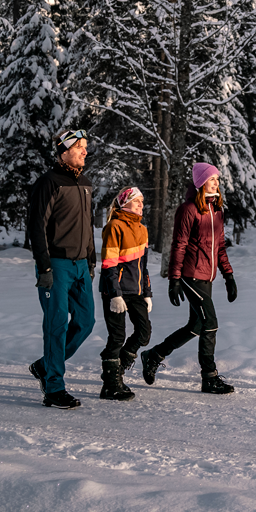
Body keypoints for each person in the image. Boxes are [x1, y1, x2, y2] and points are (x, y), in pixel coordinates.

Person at [141, 162, 238, 394]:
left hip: (207, 276)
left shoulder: (217, 210)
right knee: (210, 324)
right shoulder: (188, 209)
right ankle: (209, 377)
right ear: (201, 182)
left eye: (217, 179)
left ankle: (153, 355)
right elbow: (179, 245)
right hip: (190, 275)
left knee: (195, 326)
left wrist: (229, 276)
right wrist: (174, 280)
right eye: (212, 178)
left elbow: (220, 247)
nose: (217, 182)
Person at [26, 128, 96, 409]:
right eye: (80, 146)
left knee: (86, 322)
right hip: (55, 265)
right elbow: (37, 227)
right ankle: (54, 387)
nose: (85, 151)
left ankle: (45, 365)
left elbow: (88, 227)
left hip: (81, 265)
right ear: (64, 150)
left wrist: (91, 260)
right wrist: (44, 267)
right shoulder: (48, 182)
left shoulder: (87, 183)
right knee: (56, 327)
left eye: (86, 146)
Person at [97, 186, 152, 401]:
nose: (141, 205)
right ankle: (110, 385)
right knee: (117, 336)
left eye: (142, 201)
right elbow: (109, 264)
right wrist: (114, 295)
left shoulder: (143, 229)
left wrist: (147, 292)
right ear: (124, 203)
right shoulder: (114, 226)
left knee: (144, 333)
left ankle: (117, 370)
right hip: (116, 291)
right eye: (137, 201)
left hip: (136, 291)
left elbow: (143, 266)